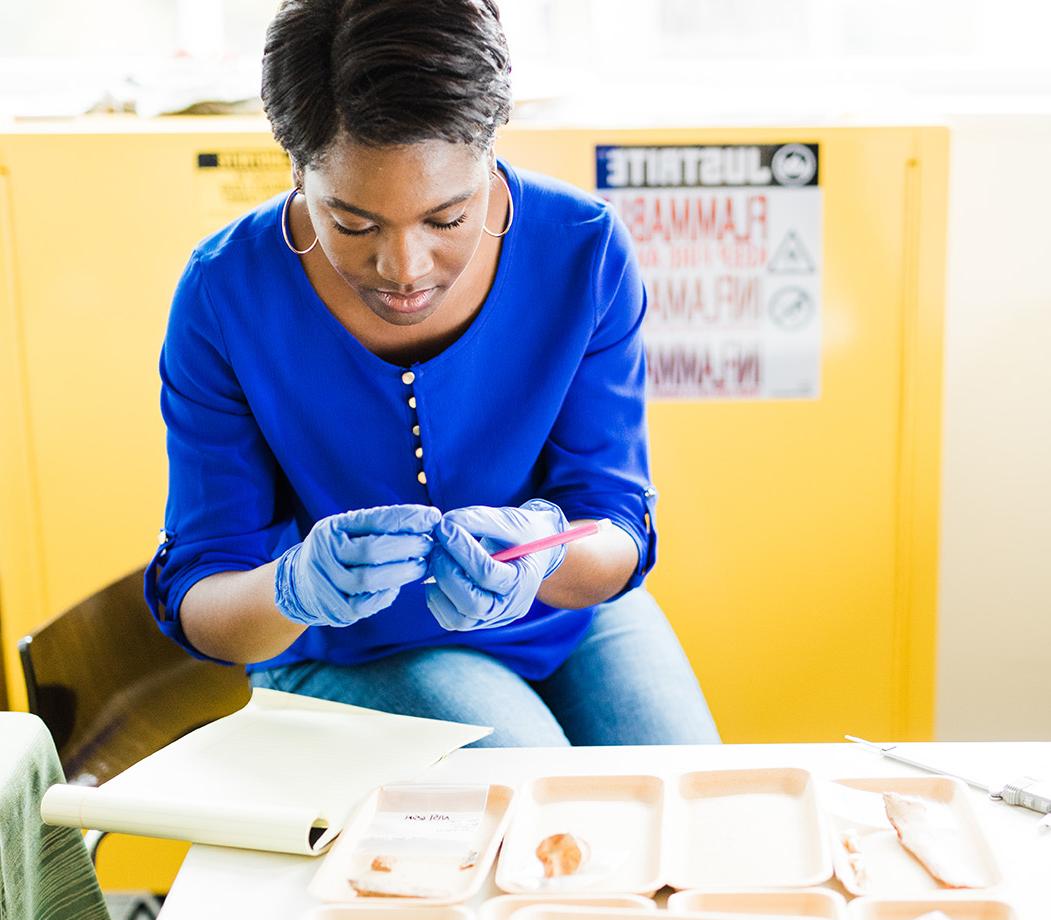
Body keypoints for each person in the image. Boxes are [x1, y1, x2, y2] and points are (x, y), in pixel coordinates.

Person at [145, 0, 718, 749]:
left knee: (688, 794)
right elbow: (203, 595)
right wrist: (294, 586)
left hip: (571, 616)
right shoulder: (227, 292)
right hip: (353, 649)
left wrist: (546, 549)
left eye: (448, 219)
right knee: (528, 792)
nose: (405, 270)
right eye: (353, 224)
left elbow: (615, 522)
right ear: (294, 166)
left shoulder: (583, 252)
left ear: (490, 149)